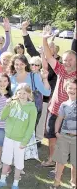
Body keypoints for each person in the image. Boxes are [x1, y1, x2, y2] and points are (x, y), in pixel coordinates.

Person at [0, 83, 37, 189]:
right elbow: (2, 117)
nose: (21, 95)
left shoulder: (32, 108)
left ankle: (15, 183)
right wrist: (7, 105)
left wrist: (24, 141)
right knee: (6, 159)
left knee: (18, 163)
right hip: (8, 137)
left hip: (20, 140)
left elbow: (31, 127)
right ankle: (2, 180)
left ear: (28, 94)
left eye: (24, 93)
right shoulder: (12, 103)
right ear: (16, 93)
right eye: (19, 93)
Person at [41, 26, 76, 168]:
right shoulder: (60, 69)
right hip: (54, 109)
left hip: (70, 114)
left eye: (71, 60)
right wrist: (44, 39)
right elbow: (48, 57)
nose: (67, 62)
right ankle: (51, 160)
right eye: (66, 59)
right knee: (52, 137)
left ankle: (61, 165)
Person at [50, 78, 76, 189]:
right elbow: (59, 119)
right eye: (70, 88)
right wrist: (56, 132)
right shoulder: (64, 104)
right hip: (64, 135)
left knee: (75, 162)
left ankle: (74, 182)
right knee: (60, 160)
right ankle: (57, 181)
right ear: (66, 89)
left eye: (75, 88)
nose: (73, 90)